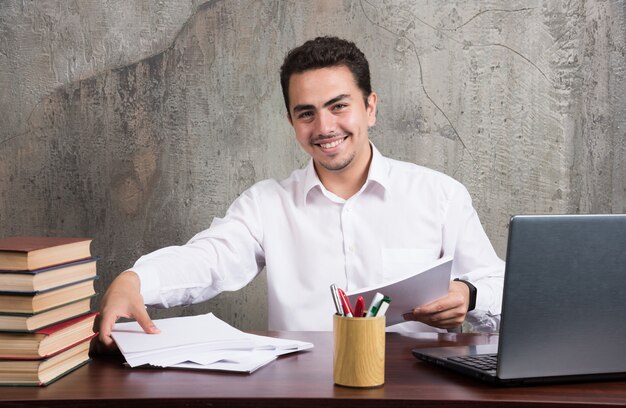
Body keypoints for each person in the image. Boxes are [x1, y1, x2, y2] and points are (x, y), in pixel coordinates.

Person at [99, 36, 504, 348]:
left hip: (417, 391)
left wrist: (468, 295)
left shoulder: (440, 195)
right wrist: (137, 280)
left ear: (371, 107)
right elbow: (207, 259)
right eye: (306, 113)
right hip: (303, 392)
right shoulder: (266, 204)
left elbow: (501, 286)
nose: (324, 127)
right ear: (292, 121)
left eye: (338, 106)